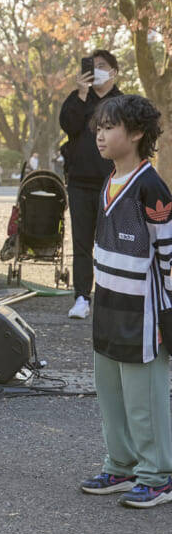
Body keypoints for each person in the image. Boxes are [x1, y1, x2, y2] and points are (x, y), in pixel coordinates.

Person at [77, 95, 172, 508]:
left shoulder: (151, 187)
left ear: (135, 134)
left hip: (142, 314)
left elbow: (168, 255)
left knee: (143, 399)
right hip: (108, 307)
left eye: (109, 127)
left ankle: (158, 475)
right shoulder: (109, 179)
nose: (100, 133)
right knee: (111, 392)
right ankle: (121, 464)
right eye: (98, 126)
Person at [59, 49, 122, 320]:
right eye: (92, 66)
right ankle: (82, 297)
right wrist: (81, 93)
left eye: (102, 66)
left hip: (113, 183)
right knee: (82, 243)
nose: (96, 70)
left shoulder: (122, 102)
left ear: (114, 72)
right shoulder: (77, 99)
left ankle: (114, 298)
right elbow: (68, 125)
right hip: (80, 183)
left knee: (113, 243)